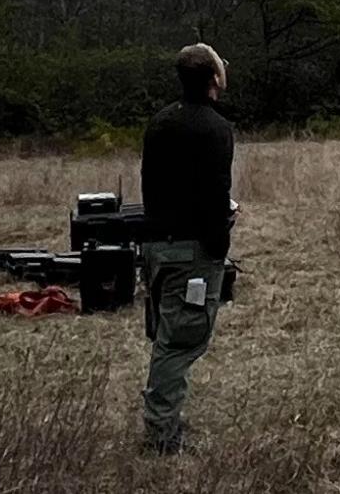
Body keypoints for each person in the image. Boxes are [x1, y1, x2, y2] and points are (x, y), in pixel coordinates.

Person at [136, 41, 234, 454]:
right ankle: (161, 435)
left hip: (157, 245)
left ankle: (167, 419)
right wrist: (219, 241)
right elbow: (215, 194)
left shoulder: (160, 123)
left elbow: (152, 184)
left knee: (169, 335)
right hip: (192, 252)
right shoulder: (215, 129)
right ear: (213, 79)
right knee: (180, 341)